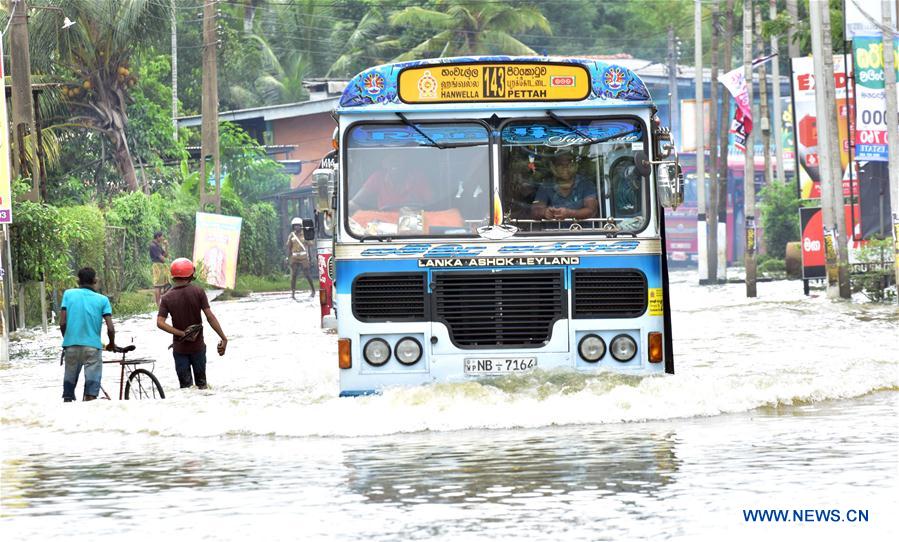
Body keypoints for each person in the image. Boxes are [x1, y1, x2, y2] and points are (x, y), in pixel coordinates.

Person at [156, 258, 228, 389]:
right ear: (190, 275)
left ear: (173, 276)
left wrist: (181, 333)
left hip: (179, 349)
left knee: (186, 389)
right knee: (202, 386)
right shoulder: (198, 292)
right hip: (198, 348)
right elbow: (210, 317)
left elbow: (160, 323)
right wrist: (223, 338)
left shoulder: (166, 298)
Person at [59, 267, 116, 402]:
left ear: (78, 281)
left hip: (71, 347)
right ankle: (90, 407)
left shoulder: (68, 294)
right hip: (93, 348)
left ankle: (68, 406)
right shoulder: (103, 300)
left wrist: (68, 339)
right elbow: (110, 328)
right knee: (91, 393)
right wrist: (112, 344)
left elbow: (62, 323)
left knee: (68, 394)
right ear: (95, 280)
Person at [348, 155, 433, 214]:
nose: (395, 162)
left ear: (406, 162)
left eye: (399, 158)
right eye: (390, 158)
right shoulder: (378, 177)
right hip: (383, 226)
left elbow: (432, 206)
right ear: (384, 163)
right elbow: (355, 202)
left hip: (413, 223)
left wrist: (416, 210)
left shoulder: (418, 177)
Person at [531, 150, 599, 221]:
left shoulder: (585, 183)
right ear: (553, 167)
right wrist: (545, 212)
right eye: (560, 165)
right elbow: (535, 211)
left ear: (575, 166)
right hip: (554, 228)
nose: (565, 167)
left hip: (581, 228)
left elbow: (592, 211)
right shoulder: (546, 185)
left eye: (569, 164)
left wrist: (569, 213)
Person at [286, 218, 315, 299]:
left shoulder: (305, 234)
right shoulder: (291, 235)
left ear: (301, 226)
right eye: (295, 225)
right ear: (293, 226)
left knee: (307, 274)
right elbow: (289, 247)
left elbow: (311, 244)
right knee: (293, 275)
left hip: (303, 257)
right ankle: (293, 293)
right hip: (294, 257)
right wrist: (287, 257)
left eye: (298, 225)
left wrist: (307, 240)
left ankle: (313, 290)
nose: (296, 227)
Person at [149, 232, 169, 306]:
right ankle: (158, 303)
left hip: (160, 266)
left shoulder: (158, 245)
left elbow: (165, 255)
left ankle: (159, 303)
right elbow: (162, 258)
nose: (162, 238)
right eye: (161, 237)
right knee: (157, 285)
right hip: (157, 266)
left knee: (161, 285)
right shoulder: (153, 246)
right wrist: (164, 258)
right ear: (158, 237)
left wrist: (166, 246)